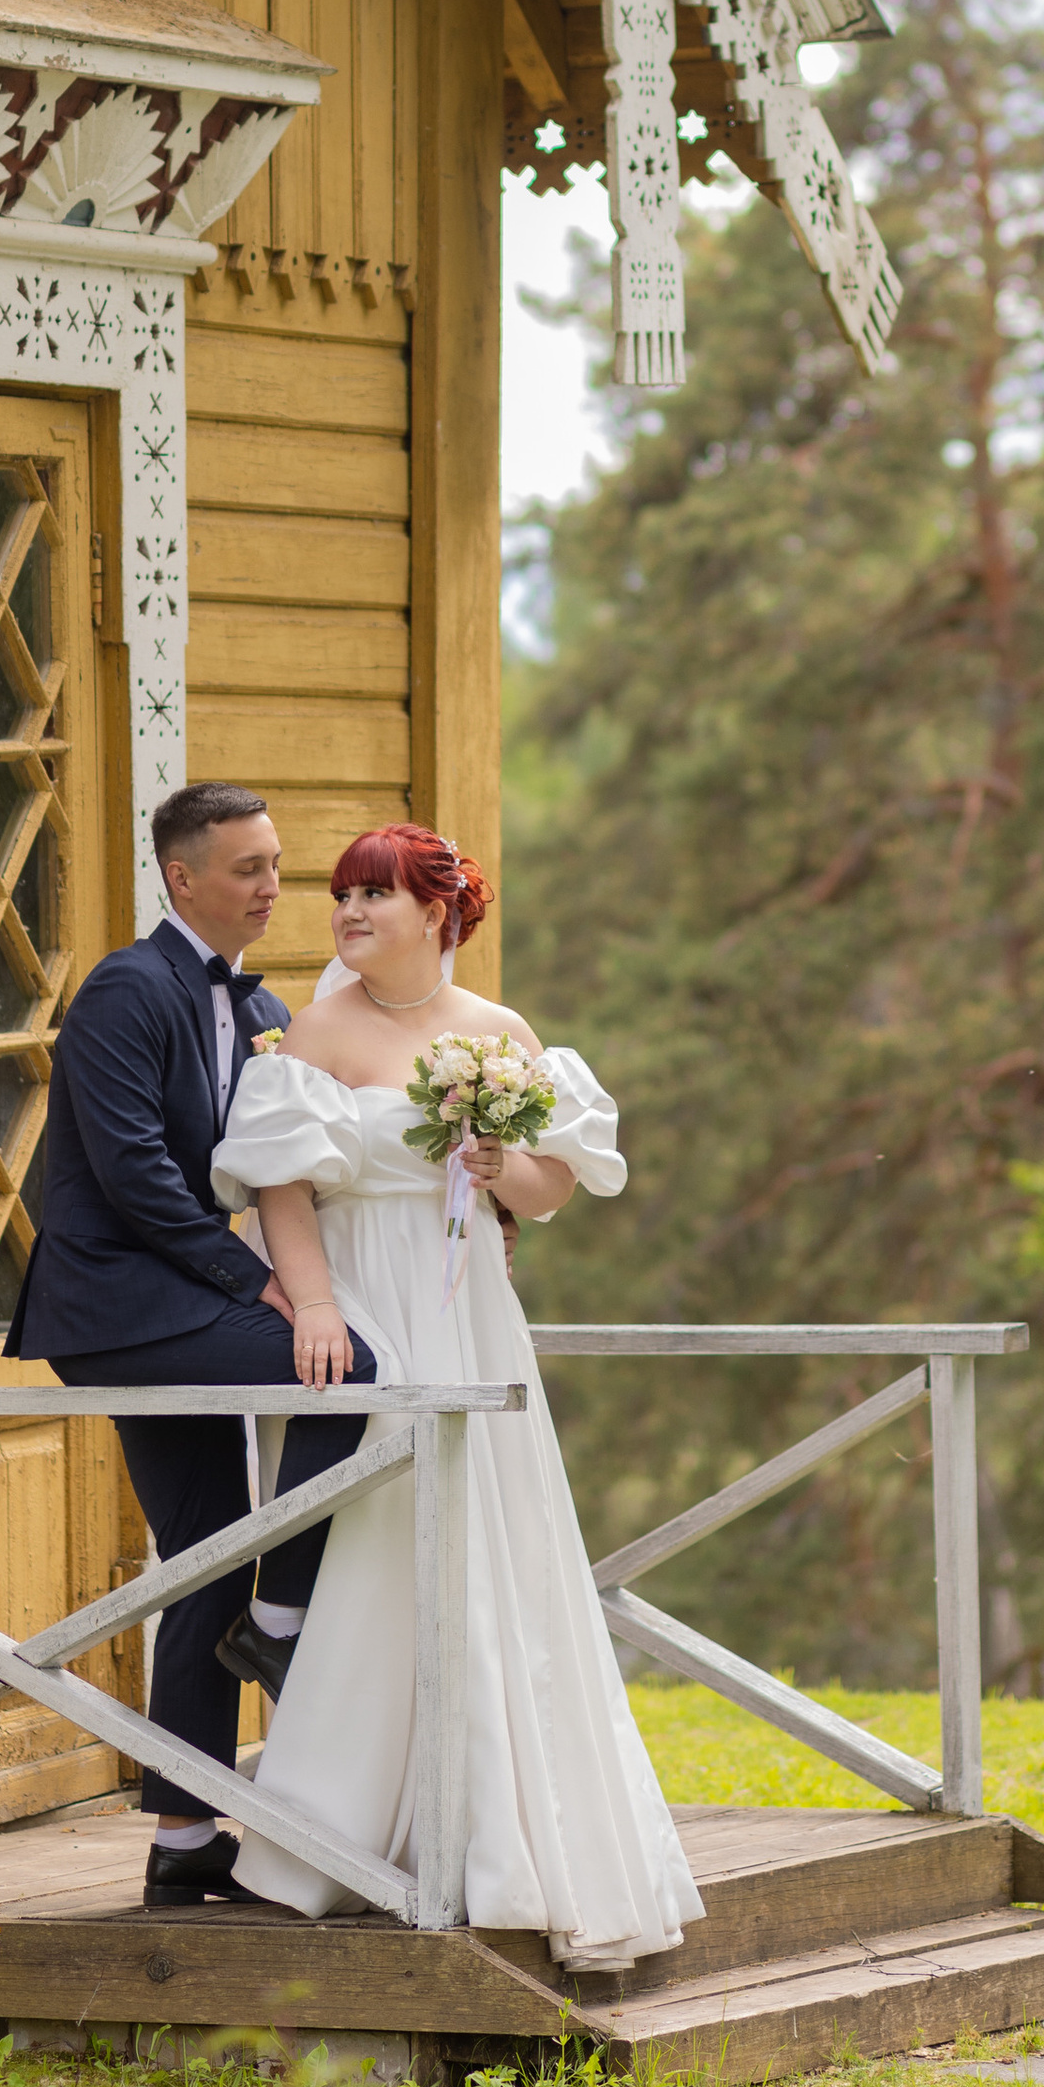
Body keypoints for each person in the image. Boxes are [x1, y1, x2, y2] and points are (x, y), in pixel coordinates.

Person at [210, 823, 702, 1968]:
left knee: (497, 1535)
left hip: (470, 1303)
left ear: (438, 911)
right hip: (371, 1311)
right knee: (380, 1540)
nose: (348, 911)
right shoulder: (314, 1033)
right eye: (341, 895)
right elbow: (280, 1191)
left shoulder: (499, 1034)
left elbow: (552, 1185)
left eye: (374, 894)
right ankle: (342, 1830)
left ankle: (507, 1832)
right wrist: (317, 1305)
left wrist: (498, 1163)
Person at [4, 780, 377, 1907]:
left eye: (276, 862)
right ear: (183, 878)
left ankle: (180, 1839)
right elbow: (135, 1179)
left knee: (205, 1545)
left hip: (179, 1295)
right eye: (249, 867)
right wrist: (260, 1281)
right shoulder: (128, 990)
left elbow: (272, 1151)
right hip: (115, 1306)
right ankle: (277, 1621)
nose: (274, 885)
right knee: (350, 1370)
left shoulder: (258, 1005)